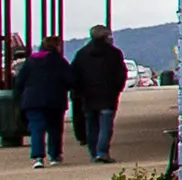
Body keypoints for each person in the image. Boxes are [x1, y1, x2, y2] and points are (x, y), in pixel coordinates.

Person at [69, 26, 127, 163]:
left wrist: (78, 91)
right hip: (107, 95)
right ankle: (102, 152)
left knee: (91, 126)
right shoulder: (114, 53)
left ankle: (94, 153)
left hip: (88, 96)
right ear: (106, 37)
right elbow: (121, 74)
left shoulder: (82, 54)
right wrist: (116, 89)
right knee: (105, 126)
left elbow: (74, 75)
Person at [14, 38, 71, 169]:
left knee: (36, 128)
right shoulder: (60, 61)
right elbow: (70, 79)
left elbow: (20, 81)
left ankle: (38, 157)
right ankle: (54, 156)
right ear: (57, 47)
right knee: (55, 128)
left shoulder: (31, 61)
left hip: (32, 100)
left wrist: (21, 97)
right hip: (55, 99)